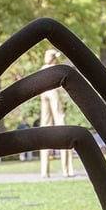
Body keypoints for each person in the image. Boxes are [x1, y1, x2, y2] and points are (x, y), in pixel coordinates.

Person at [38, 49, 74, 178]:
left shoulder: (42, 69)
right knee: (61, 125)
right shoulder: (55, 68)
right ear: (53, 58)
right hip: (53, 94)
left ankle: (44, 171)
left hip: (43, 94)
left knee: (44, 129)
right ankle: (67, 169)